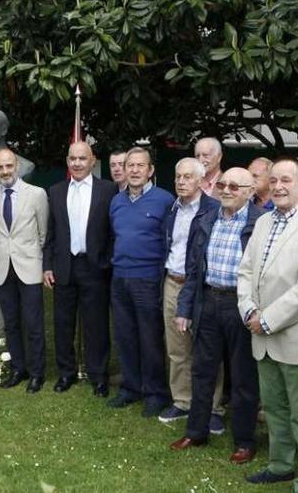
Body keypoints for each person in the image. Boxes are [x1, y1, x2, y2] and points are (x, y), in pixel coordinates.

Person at [237, 158, 298, 489]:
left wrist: (268, 320)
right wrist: (248, 311)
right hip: (261, 335)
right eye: (273, 180)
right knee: (274, 408)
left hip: (295, 334)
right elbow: (245, 271)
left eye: (286, 180)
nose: (278, 186)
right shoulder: (263, 222)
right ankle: (280, 465)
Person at [170, 167, 264, 465]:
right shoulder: (207, 218)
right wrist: (185, 308)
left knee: (243, 377)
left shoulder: (260, 222)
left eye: (235, 187)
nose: (226, 190)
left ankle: (244, 440)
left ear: (251, 191)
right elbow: (193, 269)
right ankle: (196, 431)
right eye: (222, 184)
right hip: (208, 301)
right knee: (202, 371)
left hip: (241, 305)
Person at [43, 141, 117, 397]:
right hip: (64, 266)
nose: (77, 163)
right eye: (72, 158)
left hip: (94, 266)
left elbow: (112, 232)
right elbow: (51, 233)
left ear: (92, 160)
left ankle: (98, 375)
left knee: (95, 323)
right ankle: (67, 373)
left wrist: (106, 261)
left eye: (82, 159)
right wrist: (47, 266)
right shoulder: (55, 191)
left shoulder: (108, 190)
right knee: (63, 323)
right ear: (67, 161)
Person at [108, 147, 173, 417]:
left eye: (139, 166)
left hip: (148, 278)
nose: (133, 170)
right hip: (120, 276)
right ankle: (130, 387)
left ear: (150, 171)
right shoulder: (117, 202)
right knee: (125, 336)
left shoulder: (164, 200)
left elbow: (170, 241)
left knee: (149, 338)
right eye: (129, 165)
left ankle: (156, 393)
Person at [158, 157, 222, 423]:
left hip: (201, 288)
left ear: (201, 180)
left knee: (208, 350)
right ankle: (182, 401)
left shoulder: (214, 209)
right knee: (177, 348)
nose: (181, 182)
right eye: (178, 177)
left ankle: (213, 408)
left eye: (187, 177)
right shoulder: (173, 209)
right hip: (173, 282)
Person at [0, 148, 48, 393]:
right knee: (11, 323)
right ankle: (18, 368)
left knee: (33, 323)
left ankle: (37, 372)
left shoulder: (36, 194)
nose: (5, 171)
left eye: (8, 166)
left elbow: (43, 233)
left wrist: (33, 257)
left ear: (16, 166)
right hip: (3, 267)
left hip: (29, 267)